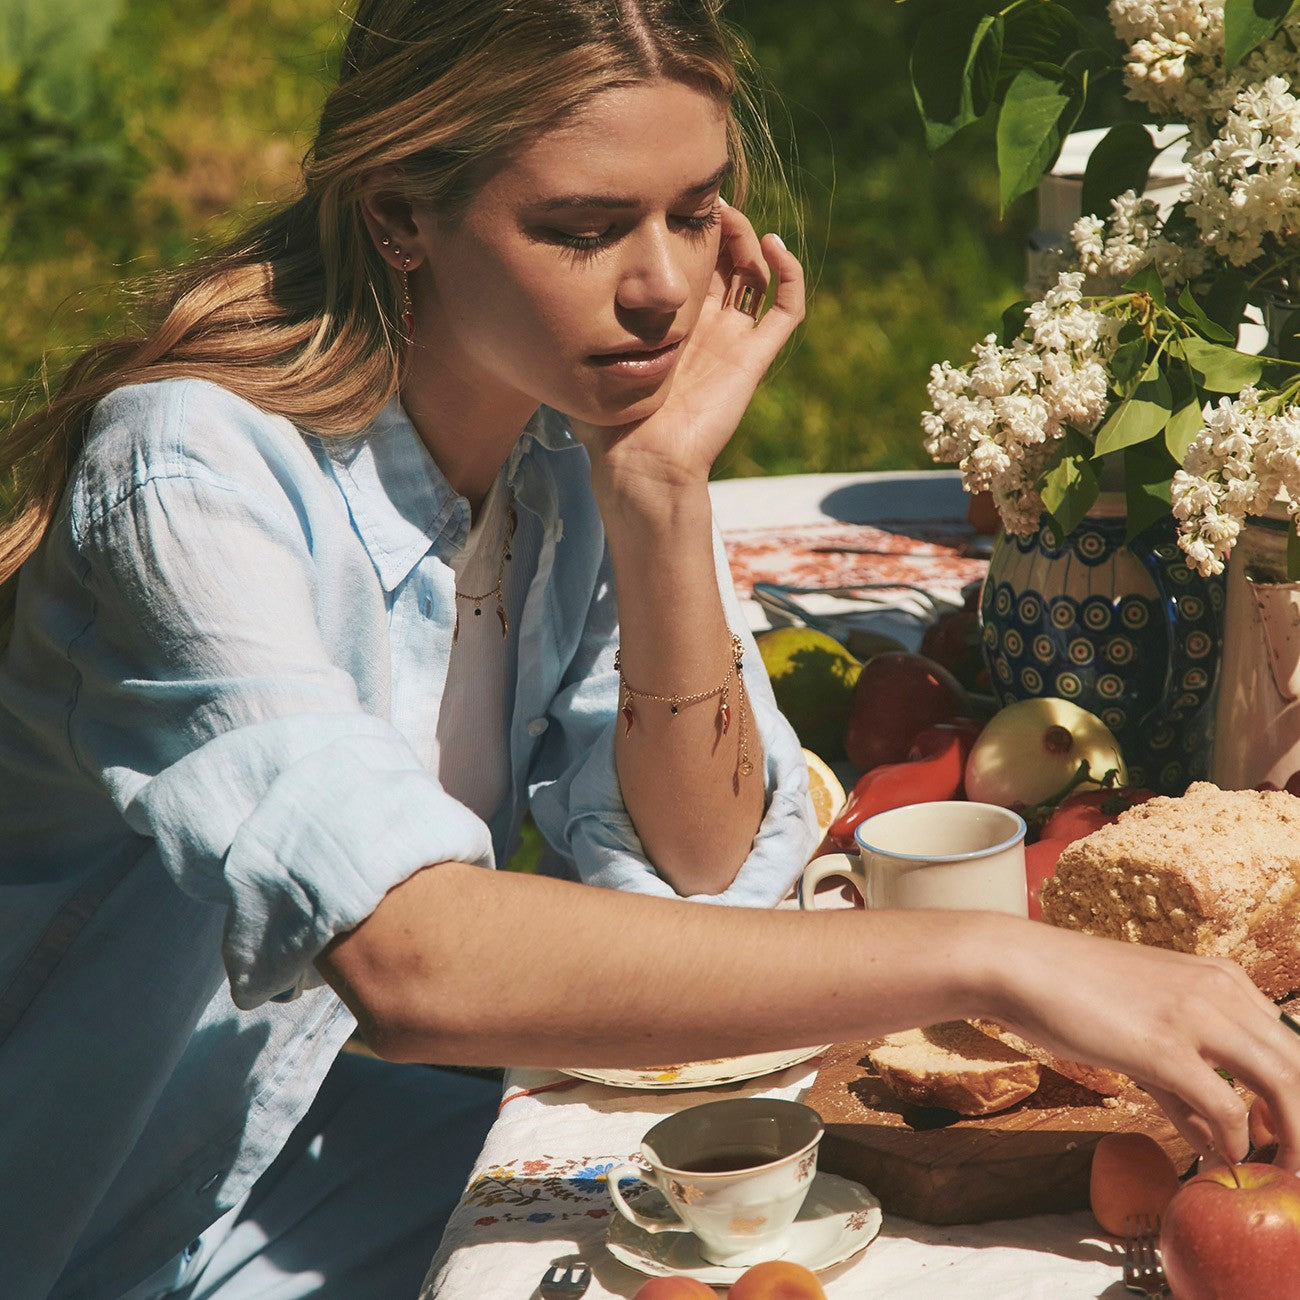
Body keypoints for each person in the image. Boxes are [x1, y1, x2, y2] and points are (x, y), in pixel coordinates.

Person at [2, 1, 1299, 1296]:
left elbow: (707, 880)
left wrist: (665, 491)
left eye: (693, 212)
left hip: (344, 1162)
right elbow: (405, 955)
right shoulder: (186, 476)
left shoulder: (562, 453)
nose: (663, 289)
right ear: (398, 212)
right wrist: (1000, 956)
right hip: (100, 1243)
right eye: (581, 228)